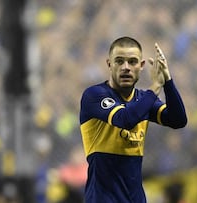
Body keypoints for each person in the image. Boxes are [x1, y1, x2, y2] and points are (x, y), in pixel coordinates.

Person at [79, 36, 187, 203]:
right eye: (119, 61)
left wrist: (168, 82)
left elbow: (178, 120)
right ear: (109, 64)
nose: (126, 68)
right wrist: (156, 86)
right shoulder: (94, 95)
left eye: (132, 62)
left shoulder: (144, 99)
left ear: (141, 66)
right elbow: (125, 119)